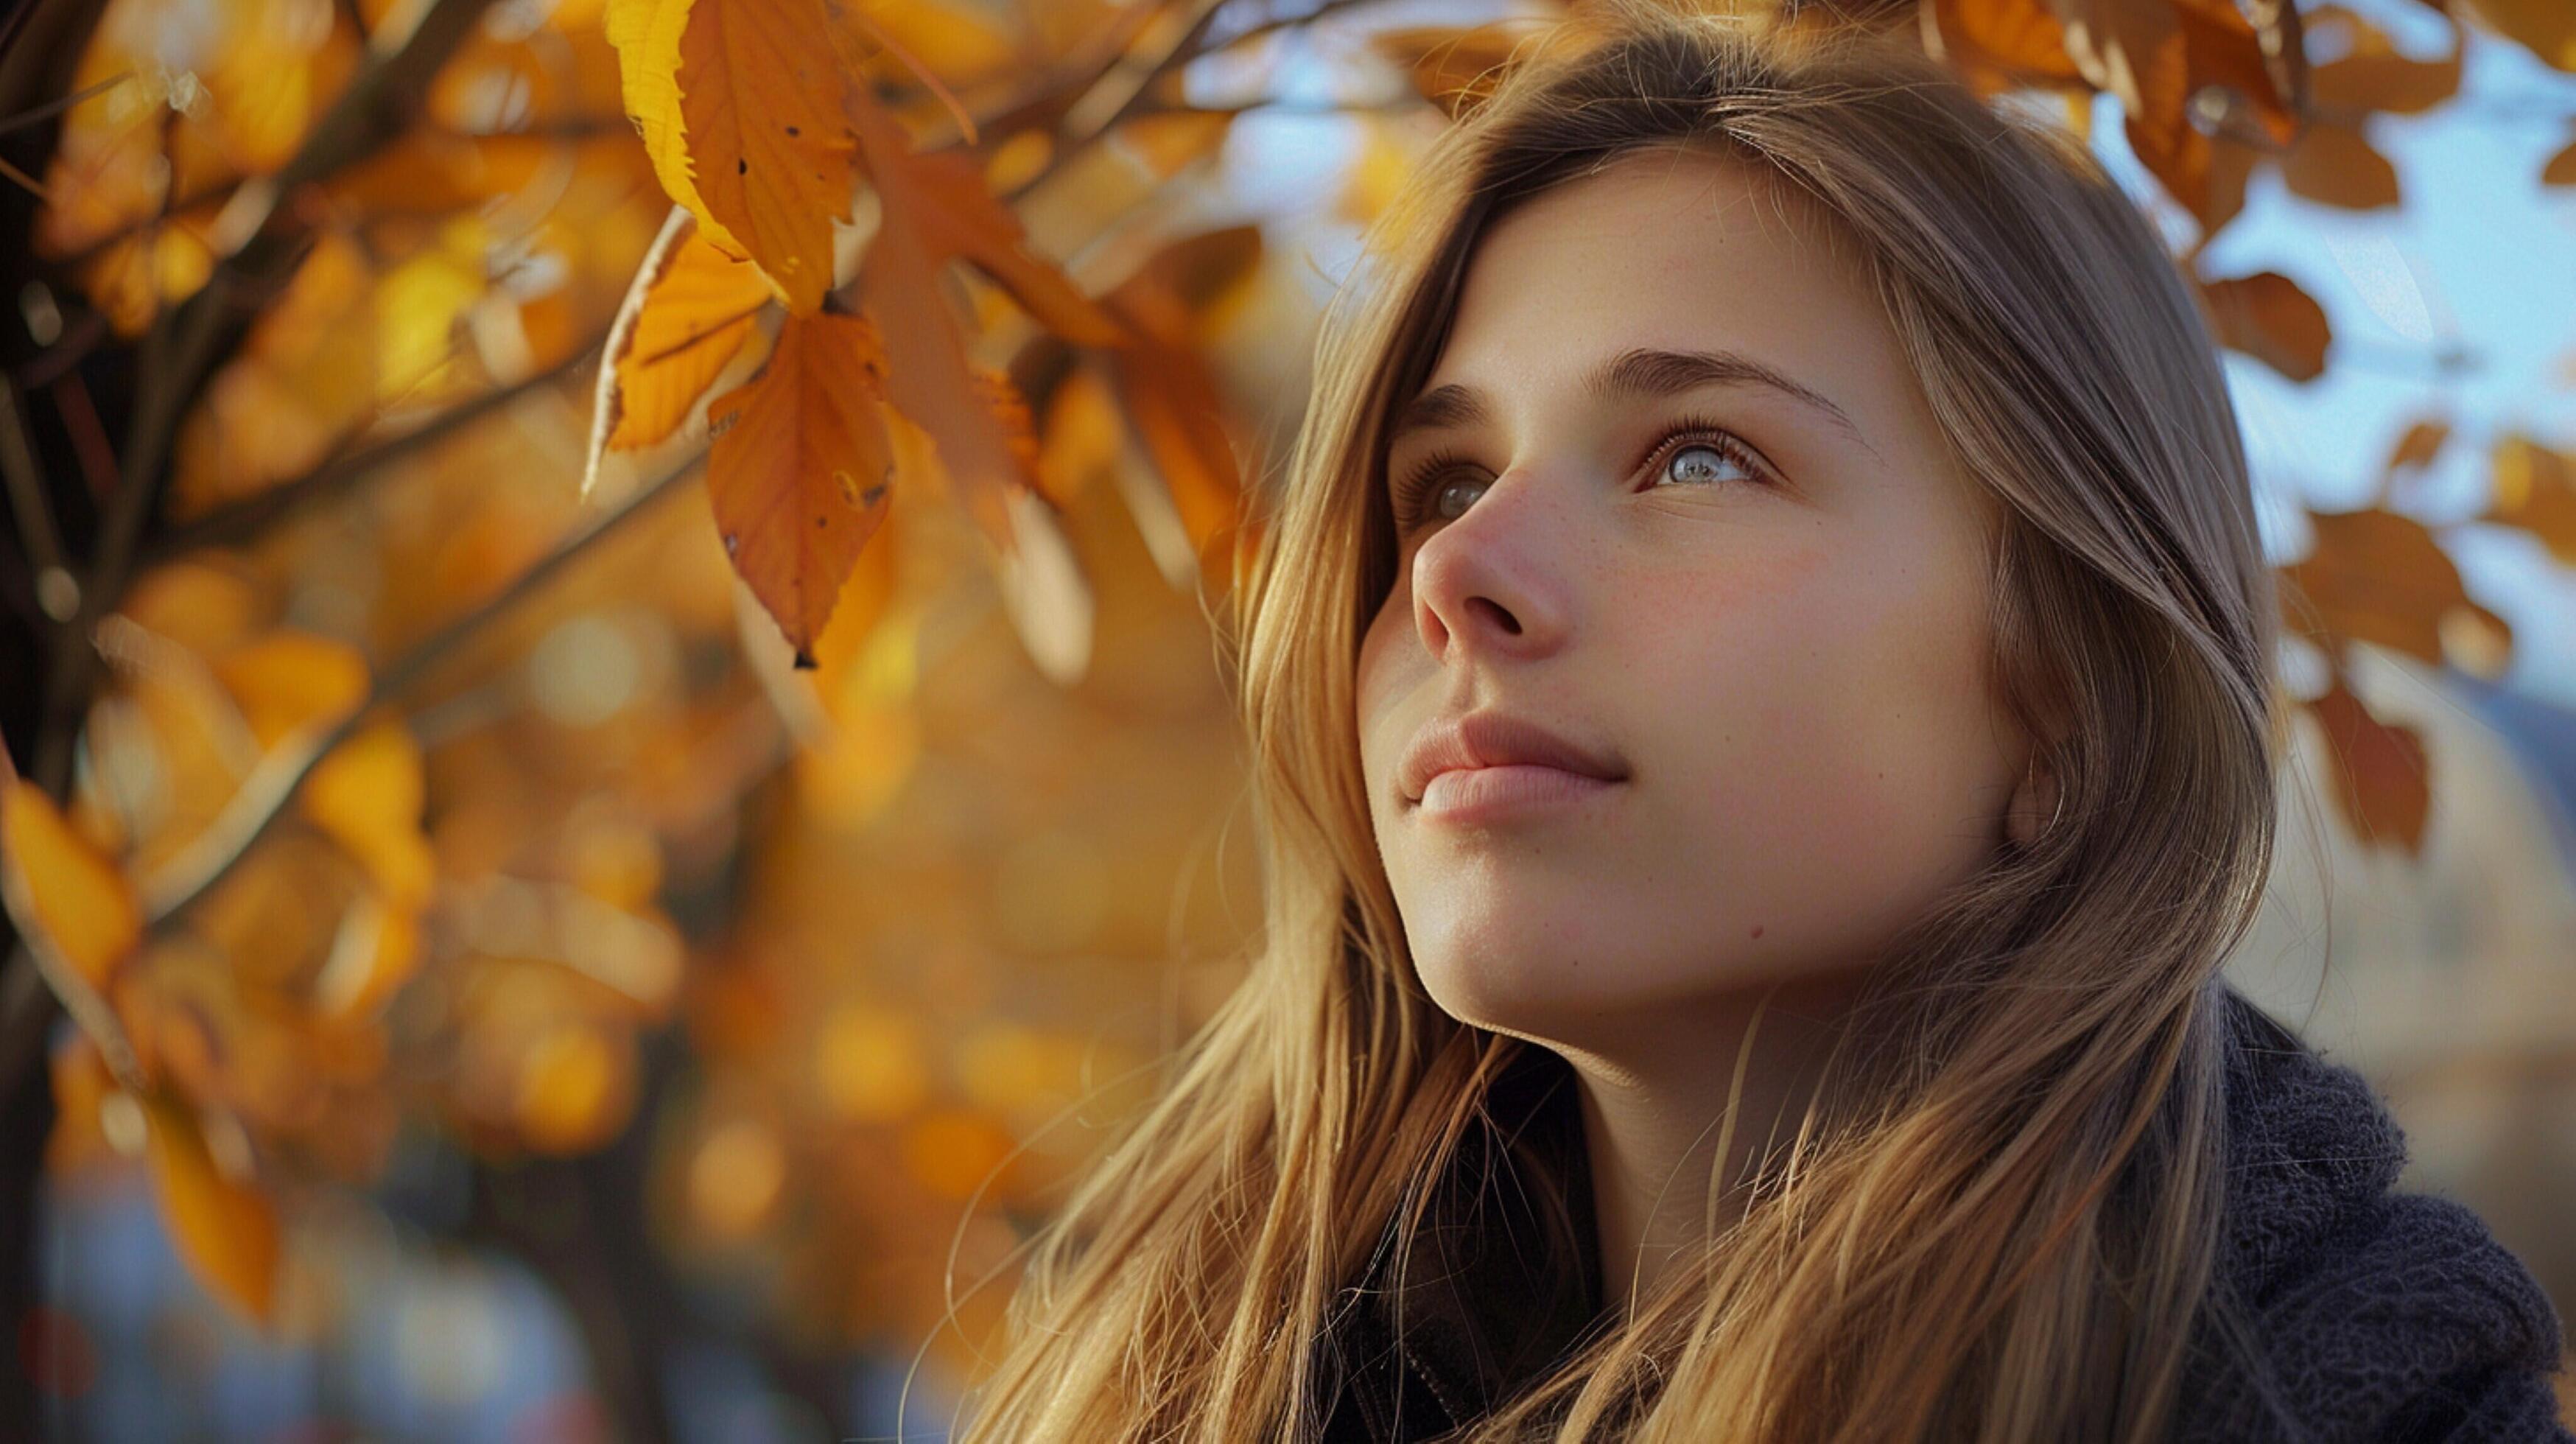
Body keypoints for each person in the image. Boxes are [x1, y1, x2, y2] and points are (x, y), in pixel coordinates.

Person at [950, 1, 2572, 1439]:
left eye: (1698, 455)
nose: (1453, 564)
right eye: (1444, 478)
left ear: (2073, 690)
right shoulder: (1155, 1383)